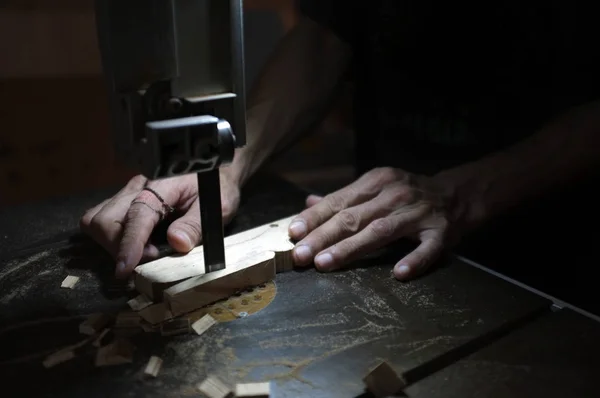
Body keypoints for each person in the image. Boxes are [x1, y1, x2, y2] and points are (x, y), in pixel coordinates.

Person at [81, 1, 600, 284]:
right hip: (386, 229)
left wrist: (465, 193)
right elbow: (325, 36)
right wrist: (226, 163)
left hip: (554, 247)